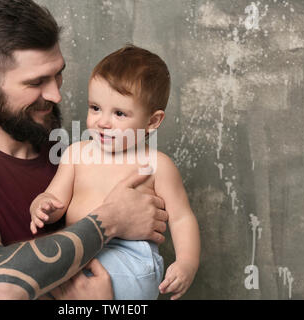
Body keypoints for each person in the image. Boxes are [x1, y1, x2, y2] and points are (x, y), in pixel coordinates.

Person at [0, 0, 168, 300]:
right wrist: (112, 219)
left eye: (57, 74)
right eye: (36, 82)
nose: (55, 94)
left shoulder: (71, 158)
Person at [30, 45, 201, 300]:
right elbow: (56, 199)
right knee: (40, 267)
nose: (103, 121)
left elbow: (181, 218)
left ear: (152, 121)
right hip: (82, 247)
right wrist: (43, 205)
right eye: (95, 108)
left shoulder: (156, 164)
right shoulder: (76, 154)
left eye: (119, 113)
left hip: (130, 256)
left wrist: (187, 262)